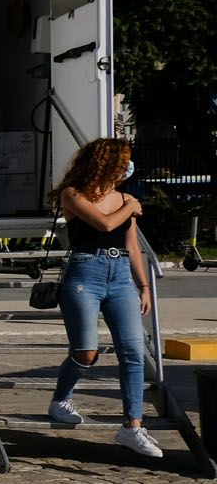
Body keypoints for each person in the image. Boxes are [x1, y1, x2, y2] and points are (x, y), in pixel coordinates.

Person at [47, 138, 161, 458]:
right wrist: (130, 207)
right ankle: (60, 399)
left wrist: (144, 286)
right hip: (85, 274)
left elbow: (132, 245)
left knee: (133, 351)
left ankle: (132, 426)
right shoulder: (74, 194)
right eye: (124, 160)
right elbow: (104, 222)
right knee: (86, 352)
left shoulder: (125, 198)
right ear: (107, 162)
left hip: (121, 275)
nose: (128, 166)